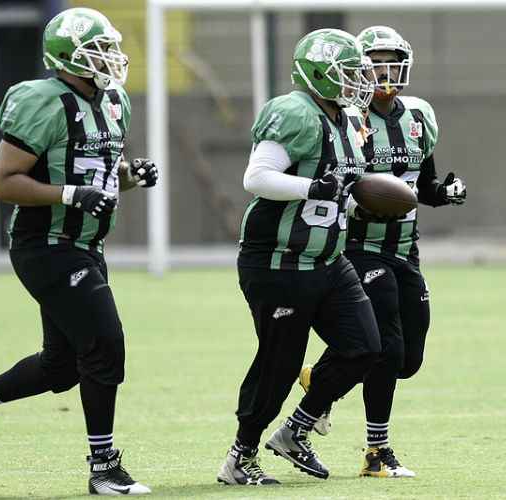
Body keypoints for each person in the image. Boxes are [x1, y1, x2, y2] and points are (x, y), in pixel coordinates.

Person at [0, 8, 157, 496]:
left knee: (62, 366)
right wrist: (71, 195)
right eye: (98, 50)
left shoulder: (113, 101)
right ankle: (103, 466)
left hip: (85, 245)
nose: (111, 58)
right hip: (45, 245)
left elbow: (91, 175)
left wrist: (129, 177)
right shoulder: (42, 100)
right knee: (104, 346)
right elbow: (4, 181)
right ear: (65, 57)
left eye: (110, 48)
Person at [299, 25, 467, 478]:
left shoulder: (418, 116)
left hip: (406, 249)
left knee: (407, 360)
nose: (384, 71)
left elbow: (419, 188)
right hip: (360, 247)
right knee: (388, 350)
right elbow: (334, 185)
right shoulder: (346, 119)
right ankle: (376, 453)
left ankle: (324, 376)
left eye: (392, 61)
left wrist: (444, 191)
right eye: (374, 62)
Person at [217, 28, 382, 486]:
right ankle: (240, 457)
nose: (356, 82)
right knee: (279, 363)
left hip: (329, 259)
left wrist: (356, 203)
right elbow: (258, 177)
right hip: (278, 260)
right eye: (346, 73)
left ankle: (296, 430)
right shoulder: (293, 112)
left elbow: (337, 190)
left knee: (365, 346)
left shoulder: (347, 121)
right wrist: (314, 188)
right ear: (318, 74)